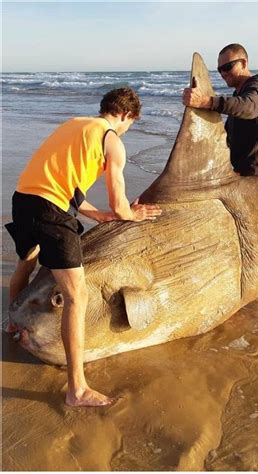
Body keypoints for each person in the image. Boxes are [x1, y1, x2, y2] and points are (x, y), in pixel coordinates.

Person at [5, 88, 162, 407]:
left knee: (28, 260)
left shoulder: (74, 125)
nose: (127, 130)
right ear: (127, 116)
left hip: (23, 199)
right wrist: (131, 214)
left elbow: (72, 191)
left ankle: (12, 322)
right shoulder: (112, 140)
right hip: (50, 210)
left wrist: (98, 215)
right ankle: (77, 389)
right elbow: (120, 205)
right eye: (130, 124)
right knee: (77, 296)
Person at [182, 43, 258, 178]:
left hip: (256, 177)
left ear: (244, 63)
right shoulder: (239, 95)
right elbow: (229, 136)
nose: (223, 73)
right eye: (220, 69)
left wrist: (206, 102)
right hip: (242, 172)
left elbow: (249, 107)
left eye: (227, 67)